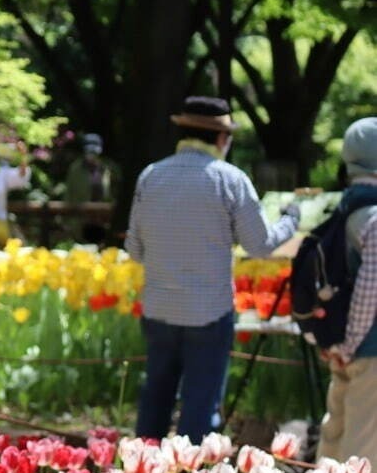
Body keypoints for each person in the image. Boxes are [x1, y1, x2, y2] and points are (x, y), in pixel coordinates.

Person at [126, 95, 301, 443]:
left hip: (159, 309)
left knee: (154, 400)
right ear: (222, 138)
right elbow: (260, 245)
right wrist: (291, 220)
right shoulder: (230, 180)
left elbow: (134, 249)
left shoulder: (150, 176)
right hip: (208, 312)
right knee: (200, 407)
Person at [318, 116, 377, 473]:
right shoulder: (373, 218)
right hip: (367, 350)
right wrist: (351, 344)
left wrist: (334, 345)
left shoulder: (339, 210)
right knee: (363, 449)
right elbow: (369, 294)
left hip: (338, 345)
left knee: (333, 435)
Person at [62, 133, 118, 243]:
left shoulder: (108, 168)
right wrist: (67, 221)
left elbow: (114, 192)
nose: (91, 154)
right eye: (89, 151)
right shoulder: (75, 169)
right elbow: (68, 194)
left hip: (103, 220)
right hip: (81, 221)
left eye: (94, 151)